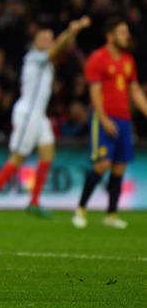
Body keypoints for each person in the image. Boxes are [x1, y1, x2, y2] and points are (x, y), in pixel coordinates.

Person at [0, 16, 92, 219]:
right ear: (35, 42)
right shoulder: (33, 57)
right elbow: (56, 50)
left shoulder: (46, 61)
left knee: (48, 153)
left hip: (39, 117)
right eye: (44, 38)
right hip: (27, 115)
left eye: (50, 38)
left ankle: (34, 201)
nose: (48, 41)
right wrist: (72, 30)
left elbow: (59, 51)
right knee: (17, 159)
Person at [72, 18, 147, 229]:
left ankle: (111, 214)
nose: (127, 36)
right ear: (110, 36)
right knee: (103, 163)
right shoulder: (97, 58)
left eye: (127, 32)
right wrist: (103, 118)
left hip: (124, 120)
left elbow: (134, 90)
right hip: (104, 117)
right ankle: (81, 207)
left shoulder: (128, 59)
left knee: (120, 167)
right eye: (122, 32)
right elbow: (94, 91)